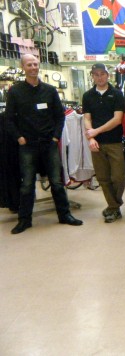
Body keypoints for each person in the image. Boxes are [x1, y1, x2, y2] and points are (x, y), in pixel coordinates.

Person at [5, 54, 83, 234]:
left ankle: (65, 215)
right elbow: (9, 119)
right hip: (28, 145)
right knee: (27, 184)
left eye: (35, 64)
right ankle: (24, 220)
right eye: (29, 64)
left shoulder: (49, 90)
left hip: (49, 143)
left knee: (56, 181)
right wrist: (19, 137)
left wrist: (56, 137)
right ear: (23, 67)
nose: (33, 67)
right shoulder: (15, 92)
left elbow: (59, 115)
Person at [82, 63, 125, 223]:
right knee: (103, 177)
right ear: (92, 76)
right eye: (96, 74)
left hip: (114, 142)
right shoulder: (87, 96)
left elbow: (117, 119)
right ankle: (114, 208)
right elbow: (87, 118)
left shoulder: (116, 94)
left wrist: (96, 131)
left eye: (102, 74)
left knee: (119, 177)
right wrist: (91, 137)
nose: (99, 77)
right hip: (96, 144)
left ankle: (113, 206)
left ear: (108, 75)